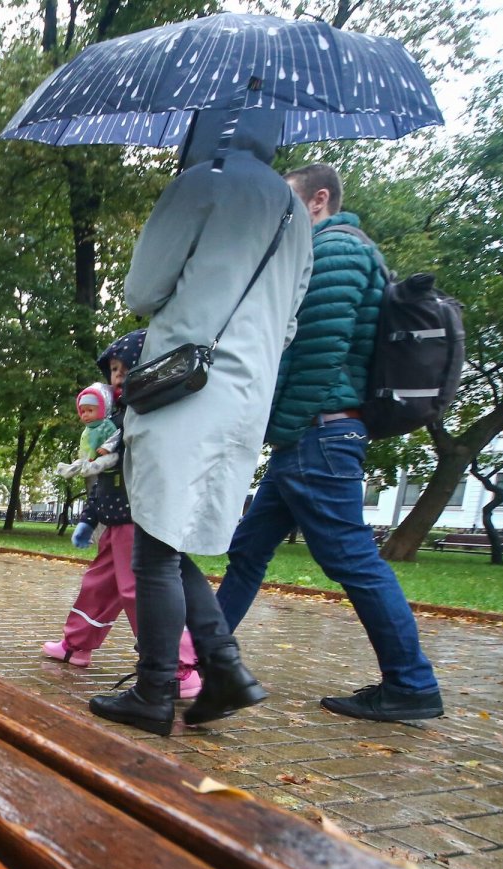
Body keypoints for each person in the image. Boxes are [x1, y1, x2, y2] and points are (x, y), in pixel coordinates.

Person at [88, 108, 312, 736]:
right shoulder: (296, 215)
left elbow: (142, 291)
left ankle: (156, 691)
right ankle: (225, 667)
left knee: (154, 551)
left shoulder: (204, 181)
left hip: (185, 386)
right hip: (248, 395)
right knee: (170, 538)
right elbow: (289, 322)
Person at [215, 164, 444, 722]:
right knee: (248, 552)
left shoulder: (336, 251)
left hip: (317, 431)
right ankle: (200, 656)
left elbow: (315, 355)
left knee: (353, 560)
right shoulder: (328, 252)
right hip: (311, 433)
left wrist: (280, 427)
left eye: (286, 204)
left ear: (318, 201)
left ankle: (412, 684)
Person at [44, 333, 200, 697]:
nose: (117, 375)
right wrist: (88, 516)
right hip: (113, 519)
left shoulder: (145, 413)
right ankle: (76, 645)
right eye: (113, 370)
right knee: (98, 586)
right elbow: (102, 478)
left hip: (137, 517)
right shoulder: (115, 418)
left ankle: (181, 665)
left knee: (138, 591)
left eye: (124, 367)